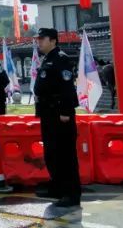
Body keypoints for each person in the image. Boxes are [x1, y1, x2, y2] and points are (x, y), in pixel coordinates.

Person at [34, 28, 81, 207]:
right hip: (48, 113)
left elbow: (67, 87)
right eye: (38, 39)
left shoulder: (61, 59)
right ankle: (58, 186)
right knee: (52, 153)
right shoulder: (48, 58)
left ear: (53, 40)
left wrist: (66, 111)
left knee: (65, 155)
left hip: (60, 114)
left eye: (42, 39)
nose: (39, 42)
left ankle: (71, 193)